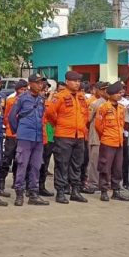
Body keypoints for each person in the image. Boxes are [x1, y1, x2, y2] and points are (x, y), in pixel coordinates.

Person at [47, 71, 89, 204]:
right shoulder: (59, 97)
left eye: (78, 81)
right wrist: (60, 125)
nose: (77, 83)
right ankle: (60, 191)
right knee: (62, 164)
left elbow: (85, 115)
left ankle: (75, 191)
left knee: (77, 164)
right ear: (67, 82)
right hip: (64, 135)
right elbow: (50, 113)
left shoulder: (81, 97)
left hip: (79, 136)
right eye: (74, 81)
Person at [8, 74, 49, 206]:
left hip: (38, 138)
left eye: (41, 83)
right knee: (22, 165)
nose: (40, 85)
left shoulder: (42, 99)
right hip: (25, 137)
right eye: (37, 83)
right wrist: (17, 131)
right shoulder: (21, 98)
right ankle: (19, 194)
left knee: (36, 166)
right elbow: (11, 117)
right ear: (30, 84)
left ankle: (33, 194)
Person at [94, 82, 129, 202]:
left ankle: (116, 190)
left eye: (121, 93)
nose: (120, 95)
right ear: (111, 94)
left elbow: (123, 124)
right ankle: (104, 191)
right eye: (118, 93)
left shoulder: (121, 108)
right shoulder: (104, 107)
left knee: (118, 168)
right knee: (105, 166)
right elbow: (98, 126)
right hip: (107, 141)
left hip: (119, 142)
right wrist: (105, 136)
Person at [0, 79, 27, 196]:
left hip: (23, 134)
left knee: (19, 160)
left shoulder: (28, 101)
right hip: (12, 134)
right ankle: (1, 182)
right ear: (17, 90)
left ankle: (17, 181)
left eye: (25, 89)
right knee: (7, 158)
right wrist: (11, 128)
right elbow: (6, 117)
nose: (24, 91)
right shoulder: (11, 100)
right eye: (21, 89)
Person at [83, 81, 107, 193]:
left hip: (107, 138)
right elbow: (87, 120)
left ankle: (104, 183)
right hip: (95, 137)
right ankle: (93, 183)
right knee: (94, 161)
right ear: (96, 90)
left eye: (106, 89)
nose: (104, 91)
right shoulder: (94, 104)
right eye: (102, 89)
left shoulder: (111, 104)